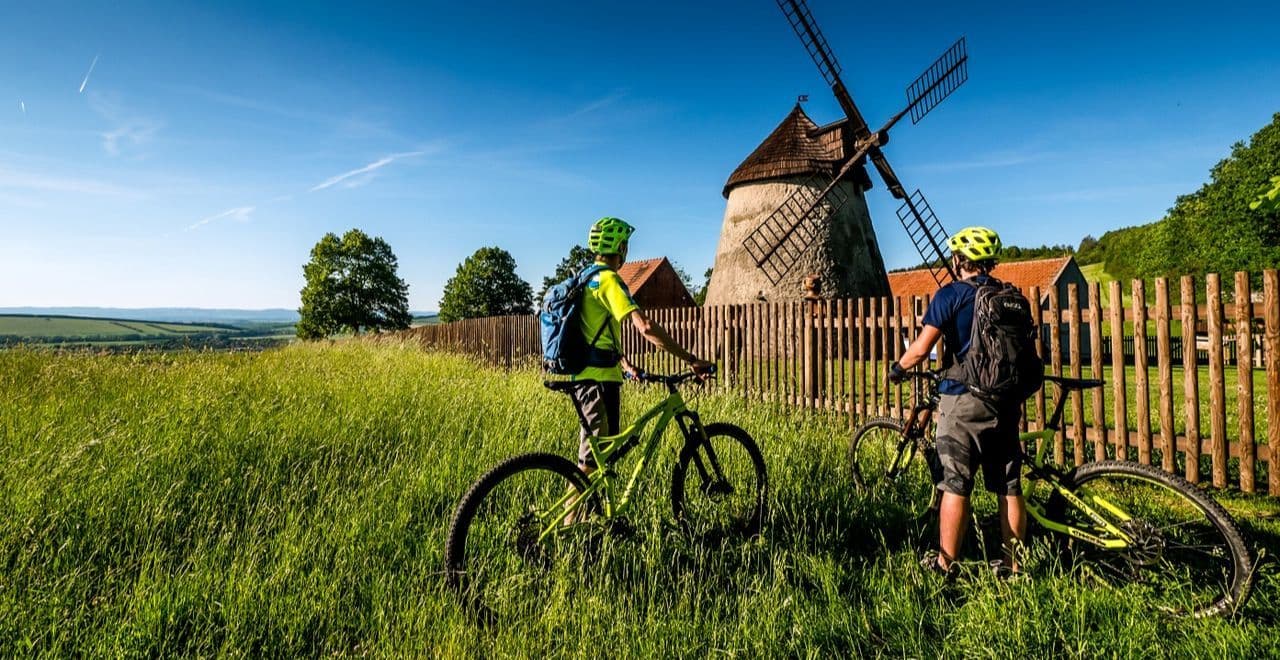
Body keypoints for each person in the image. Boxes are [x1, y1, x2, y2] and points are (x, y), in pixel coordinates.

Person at [888, 226, 1026, 577]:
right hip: (1006, 401)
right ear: (989, 262)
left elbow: (921, 348)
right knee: (1008, 487)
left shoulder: (951, 295)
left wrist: (898, 369)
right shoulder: (1012, 297)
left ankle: (945, 563)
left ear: (958, 259)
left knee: (956, 484)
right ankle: (1013, 567)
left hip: (964, 402)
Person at [568, 216, 714, 474]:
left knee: (601, 460)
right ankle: (571, 517)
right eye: (625, 244)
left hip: (587, 376)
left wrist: (624, 363)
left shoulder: (585, 279)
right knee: (589, 465)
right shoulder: (608, 280)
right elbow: (644, 326)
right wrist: (690, 358)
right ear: (620, 248)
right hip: (598, 383)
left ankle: (596, 514)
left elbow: (595, 332)